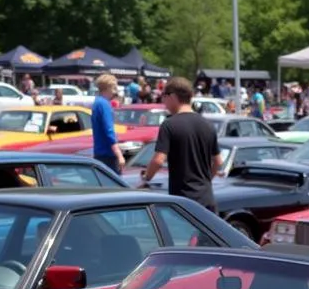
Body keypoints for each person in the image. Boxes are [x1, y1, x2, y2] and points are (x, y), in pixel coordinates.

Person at [140, 76, 221, 212]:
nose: (163, 101)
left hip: (184, 202)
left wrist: (146, 178)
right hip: (207, 199)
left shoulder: (169, 125)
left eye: (164, 96)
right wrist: (206, 181)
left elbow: (159, 160)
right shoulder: (208, 125)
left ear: (172, 96)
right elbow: (218, 162)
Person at [91, 74, 124, 173]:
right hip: (108, 154)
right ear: (109, 87)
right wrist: (119, 154)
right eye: (114, 87)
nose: (115, 90)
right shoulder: (104, 104)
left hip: (99, 152)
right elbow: (109, 130)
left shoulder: (97, 103)